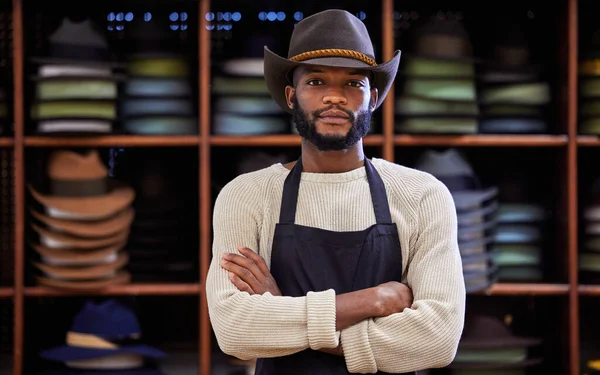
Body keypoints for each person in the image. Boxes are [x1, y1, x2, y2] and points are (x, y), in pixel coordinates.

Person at [205, 9, 466, 375]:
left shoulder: (422, 195)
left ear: (372, 97)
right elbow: (235, 331)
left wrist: (284, 311)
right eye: (315, 82)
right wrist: (370, 301)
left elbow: (437, 339)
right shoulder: (246, 196)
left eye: (352, 84)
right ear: (291, 96)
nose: (334, 98)